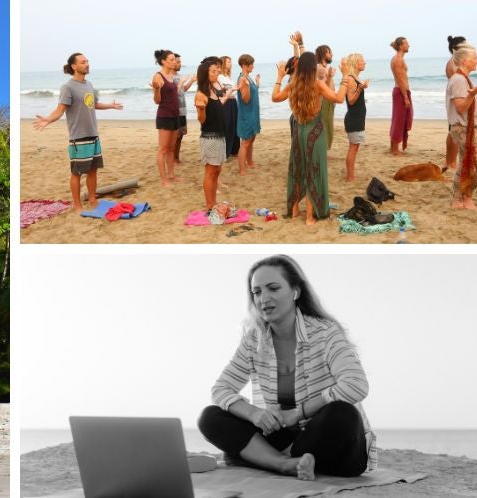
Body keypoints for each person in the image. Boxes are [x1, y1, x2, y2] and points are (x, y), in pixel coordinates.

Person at [198, 255, 377, 481]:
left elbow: (356, 385)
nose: (264, 298)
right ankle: (284, 464)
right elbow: (221, 389)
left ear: (295, 292)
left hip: (330, 444)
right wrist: (255, 414)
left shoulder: (325, 332)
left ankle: (261, 458)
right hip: (286, 439)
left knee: (342, 413)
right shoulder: (254, 339)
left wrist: (298, 413)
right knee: (210, 416)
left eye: (273, 288)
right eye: (257, 292)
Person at [34, 53, 124, 212]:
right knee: (77, 172)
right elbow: (60, 110)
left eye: (88, 61)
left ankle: (92, 199)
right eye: (83, 62)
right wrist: (48, 119)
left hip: (93, 135)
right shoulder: (67, 87)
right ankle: (77, 204)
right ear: (74, 66)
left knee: (93, 170)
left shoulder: (89, 84)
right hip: (79, 138)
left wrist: (111, 105)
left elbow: (94, 104)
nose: (87, 64)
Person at [272, 52, 349, 225]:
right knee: (314, 170)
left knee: (298, 168)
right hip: (315, 132)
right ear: (313, 67)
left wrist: (279, 77)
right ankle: (309, 217)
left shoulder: (293, 84)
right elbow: (338, 98)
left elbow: (275, 97)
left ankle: (294, 211)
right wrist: (344, 77)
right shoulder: (318, 84)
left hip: (299, 132)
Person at [446, 45, 477, 210]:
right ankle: (465, 195)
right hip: (463, 129)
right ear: (465, 61)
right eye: (475, 58)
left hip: (467, 128)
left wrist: (472, 94)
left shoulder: (462, 78)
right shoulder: (459, 80)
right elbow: (460, 107)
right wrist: (472, 94)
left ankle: (460, 199)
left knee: (466, 165)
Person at [195, 57, 231, 210]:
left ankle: (213, 203)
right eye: (214, 71)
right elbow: (202, 120)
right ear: (205, 73)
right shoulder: (201, 94)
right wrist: (201, 109)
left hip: (219, 135)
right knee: (210, 172)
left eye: (217, 70)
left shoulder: (214, 90)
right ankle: (210, 205)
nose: (217, 73)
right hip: (210, 137)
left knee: (217, 171)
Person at [152, 49, 181, 187]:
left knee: (171, 148)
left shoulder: (170, 76)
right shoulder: (158, 76)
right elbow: (157, 101)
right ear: (163, 61)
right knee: (163, 149)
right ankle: (164, 180)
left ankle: (171, 175)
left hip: (175, 115)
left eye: (175, 59)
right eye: (171, 59)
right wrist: (156, 89)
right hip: (164, 115)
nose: (174, 61)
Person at [342, 54, 370, 182]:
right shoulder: (351, 79)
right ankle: (350, 177)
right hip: (354, 118)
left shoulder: (354, 77)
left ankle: (350, 176)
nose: (365, 62)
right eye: (362, 61)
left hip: (357, 117)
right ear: (355, 63)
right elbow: (351, 101)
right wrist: (360, 89)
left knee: (354, 147)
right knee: (353, 149)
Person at [445, 36, 469, 171]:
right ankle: (451, 162)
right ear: (456, 49)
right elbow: (457, 84)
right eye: (465, 45)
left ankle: (450, 161)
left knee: (452, 131)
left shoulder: (455, 62)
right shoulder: (452, 63)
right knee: (453, 131)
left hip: (456, 97)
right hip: (456, 99)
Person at [235, 54, 261, 175]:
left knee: (251, 139)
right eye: (251, 64)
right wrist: (245, 85)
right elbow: (245, 99)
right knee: (245, 142)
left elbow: (253, 93)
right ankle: (242, 169)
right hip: (247, 114)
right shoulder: (242, 79)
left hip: (253, 113)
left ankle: (249, 163)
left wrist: (257, 83)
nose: (253, 66)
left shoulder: (248, 78)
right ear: (245, 65)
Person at [173, 53, 197, 168]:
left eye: (180, 62)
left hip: (182, 110)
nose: (180, 64)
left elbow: (183, 90)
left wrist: (192, 80)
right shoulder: (169, 77)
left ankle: (176, 157)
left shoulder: (179, 76)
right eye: (177, 62)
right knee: (175, 136)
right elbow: (172, 94)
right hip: (174, 111)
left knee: (181, 135)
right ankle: (173, 158)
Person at [389, 37, 413, 155]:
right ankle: (394, 150)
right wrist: (405, 97)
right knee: (399, 120)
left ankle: (393, 148)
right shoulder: (398, 60)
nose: (408, 45)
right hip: (400, 92)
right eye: (406, 43)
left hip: (401, 91)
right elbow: (400, 79)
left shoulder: (398, 59)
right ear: (400, 46)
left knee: (399, 119)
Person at [315, 45, 336, 150]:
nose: (331, 54)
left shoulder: (325, 68)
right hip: (324, 101)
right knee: (325, 127)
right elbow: (322, 87)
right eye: (329, 52)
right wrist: (330, 77)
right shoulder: (320, 68)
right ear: (323, 54)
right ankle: (321, 150)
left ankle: (323, 150)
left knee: (328, 127)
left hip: (329, 101)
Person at [220, 56, 241, 157]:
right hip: (226, 103)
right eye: (228, 62)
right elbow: (222, 93)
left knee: (234, 126)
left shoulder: (228, 77)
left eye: (230, 61)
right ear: (223, 63)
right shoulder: (219, 77)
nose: (231, 63)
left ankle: (234, 150)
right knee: (227, 126)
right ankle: (225, 152)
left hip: (233, 103)